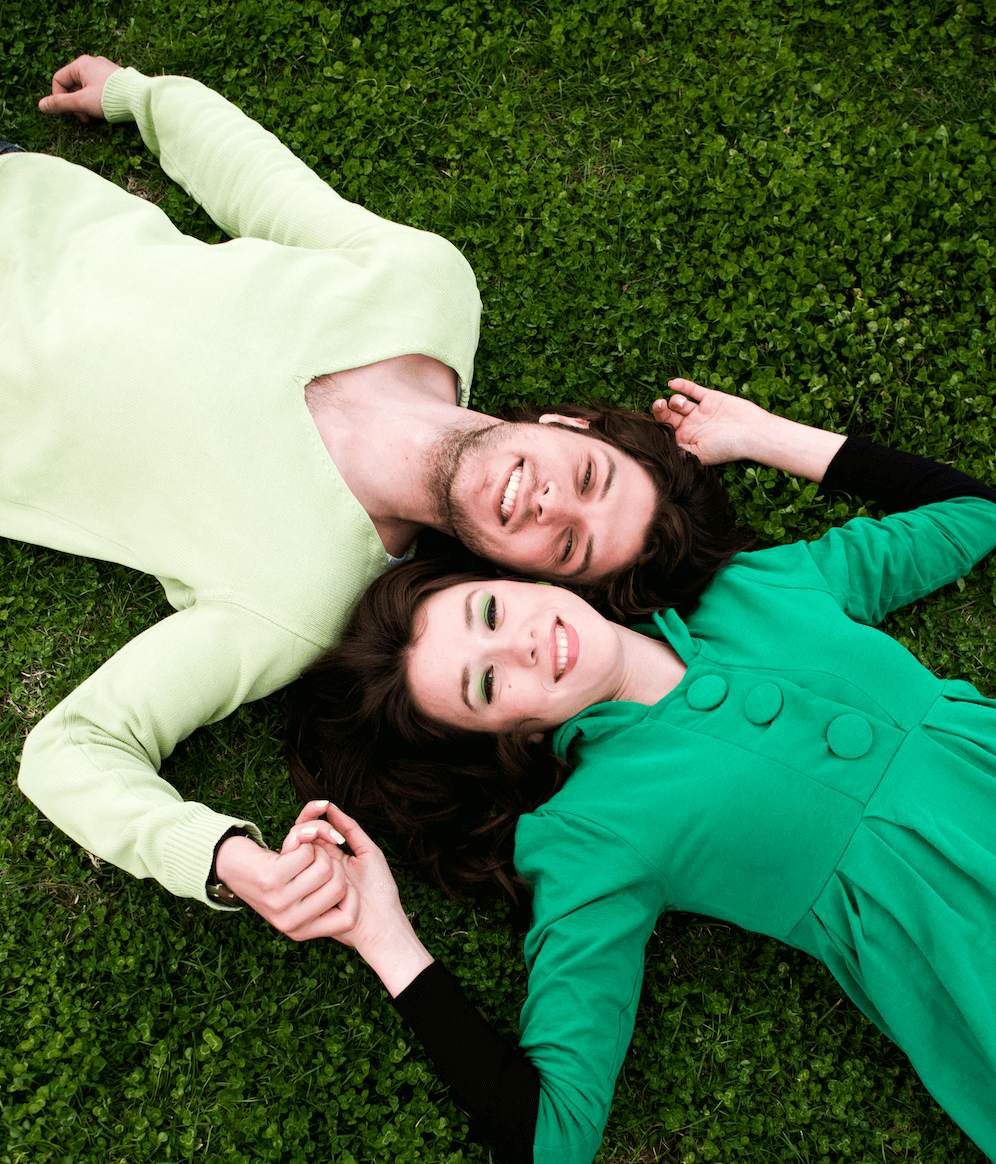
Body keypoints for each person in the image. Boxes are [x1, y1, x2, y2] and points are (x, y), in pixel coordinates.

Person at [5, 53, 860, 936]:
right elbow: (262, 186)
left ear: (527, 580)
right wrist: (142, 97)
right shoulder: (426, 288)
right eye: (588, 477)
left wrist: (222, 859)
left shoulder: (292, 602)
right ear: (568, 425)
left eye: (569, 546)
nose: (551, 503)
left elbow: (72, 751)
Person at [282, 403, 996, 1162]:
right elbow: (551, 1140)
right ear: (506, 735)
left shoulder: (758, 583)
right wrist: (385, 938)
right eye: (485, 685)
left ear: (511, 579)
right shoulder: (586, 834)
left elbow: (974, 512)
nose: (521, 646)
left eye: (488, 612)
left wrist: (762, 436)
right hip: (964, 947)